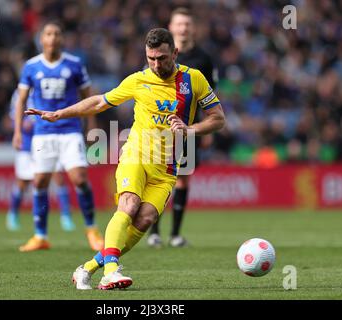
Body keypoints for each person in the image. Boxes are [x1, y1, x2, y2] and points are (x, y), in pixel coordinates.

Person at [26, 28, 225, 290]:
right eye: (151, 58)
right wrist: (59, 114)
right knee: (128, 205)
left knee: (144, 219)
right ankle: (111, 271)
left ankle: (87, 268)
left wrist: (191, 130)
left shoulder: (194, 79)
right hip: (136, 156)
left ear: (175, 53)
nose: (156, 64)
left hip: (167, 169)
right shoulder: (138, 80)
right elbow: (99, 102)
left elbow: (218, 118)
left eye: (162, 58)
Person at [13, 21, 104, 252]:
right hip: (42, 133)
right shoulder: (31, 66)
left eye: (57, 33)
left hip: (70, 130)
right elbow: (21, 101)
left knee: (79, 178)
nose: (53, 37)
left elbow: (88, 98)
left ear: (62, 39)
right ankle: (40, 235)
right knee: (40, 182)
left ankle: (92, 230)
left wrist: (92, 127)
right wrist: (17, 131)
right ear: (41, 39)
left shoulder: (74, 64)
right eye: (48, 33)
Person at [147, 7, 216, 248]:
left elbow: (210, 96)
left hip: (188, 129)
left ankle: (175, 234)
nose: (184, 28)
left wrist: (203, 129)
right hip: (159, 129)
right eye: (179, 24)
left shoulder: (203, 59)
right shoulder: (159, 54)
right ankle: (153, 232)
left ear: (193, 28)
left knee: (183, 180)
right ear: (171, 26)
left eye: (187, 24)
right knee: (157, 179)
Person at [7, 89, 75, 232]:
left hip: (46, 140)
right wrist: (20, 127)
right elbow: (14, 116)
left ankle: (66, 216)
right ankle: (13, 214)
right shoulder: (20, 93)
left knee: (58, 176)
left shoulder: (47, 89)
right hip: (27, 144)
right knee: (23, 182)